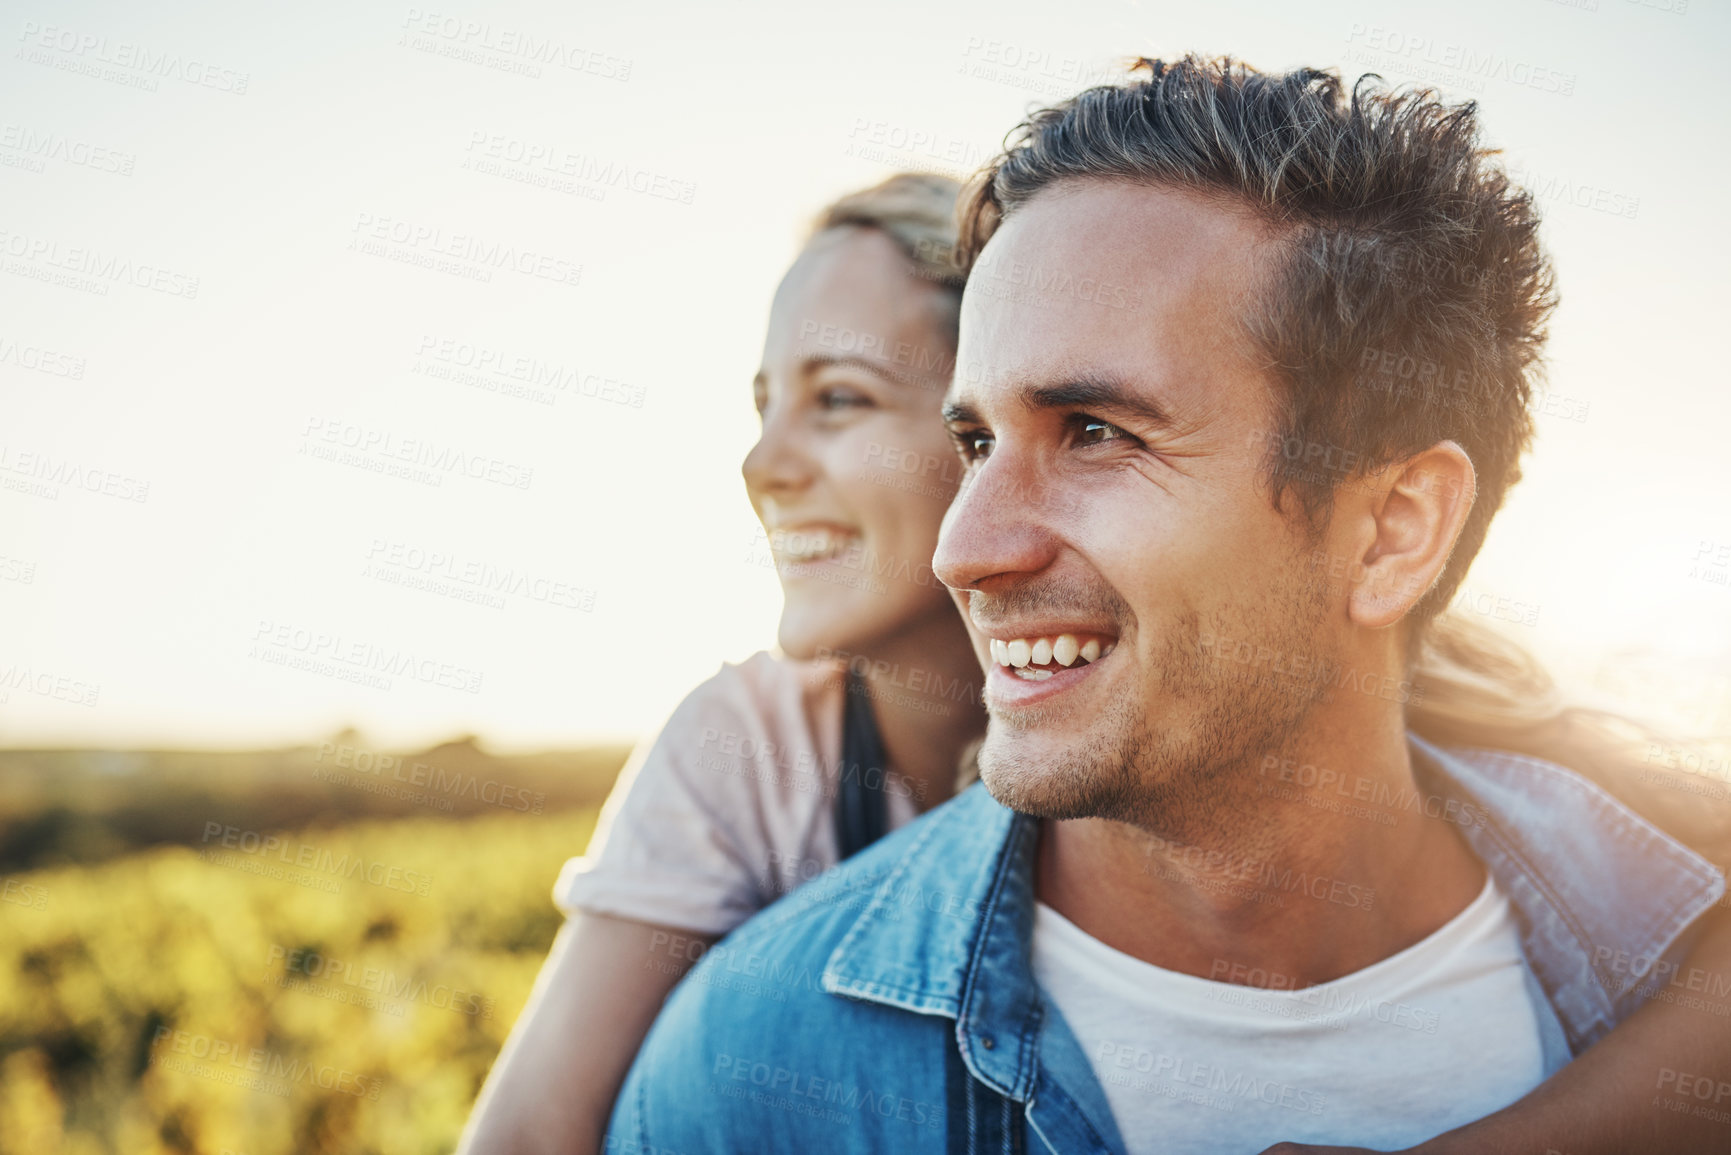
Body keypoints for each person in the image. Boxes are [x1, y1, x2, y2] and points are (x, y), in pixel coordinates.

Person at [603, 57, 1731, 1154]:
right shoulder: (748, 1075)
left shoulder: (1670, 942)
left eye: (1096, 433)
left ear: (1392, 531)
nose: (963, 550)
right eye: (974, 441)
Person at [456, 173, 988, 1155]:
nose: (762, 465)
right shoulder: (744, 743)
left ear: (988, 429)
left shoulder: (1128, 728)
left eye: (838, 398)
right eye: (763, 405)